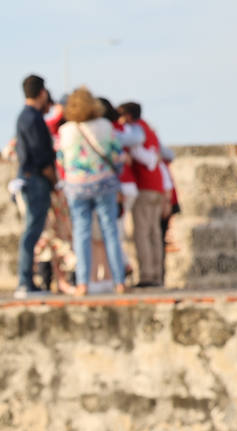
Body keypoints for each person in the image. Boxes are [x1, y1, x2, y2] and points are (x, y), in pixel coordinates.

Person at [56, 87, 126, 295]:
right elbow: (117, 155)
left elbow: (61, 160)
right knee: (110, 231)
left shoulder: (65, 130)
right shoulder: (104, 126)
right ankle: (119, 281)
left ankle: (82, 283)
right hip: (103, 183)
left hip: (76, 185)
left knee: (81, 233)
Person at [117, 101, 168, 287]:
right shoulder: (150, 130)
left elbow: (145, 157)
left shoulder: (136, 132)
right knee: (154, 233)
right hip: (157, 186)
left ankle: (147, 275)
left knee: (142, 233)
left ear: (128, 117)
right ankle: (157, 274)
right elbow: (163, 156)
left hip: (145, 186)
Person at [15, 74, 56, 298]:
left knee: (32, 232)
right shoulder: (32, 118)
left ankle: (26, 281)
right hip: (36, 179)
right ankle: (25, 281)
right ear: (42, 93)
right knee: (31, 232)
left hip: (31, 177)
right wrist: (53, 179)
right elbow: (40, 154)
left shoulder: (26, 117)